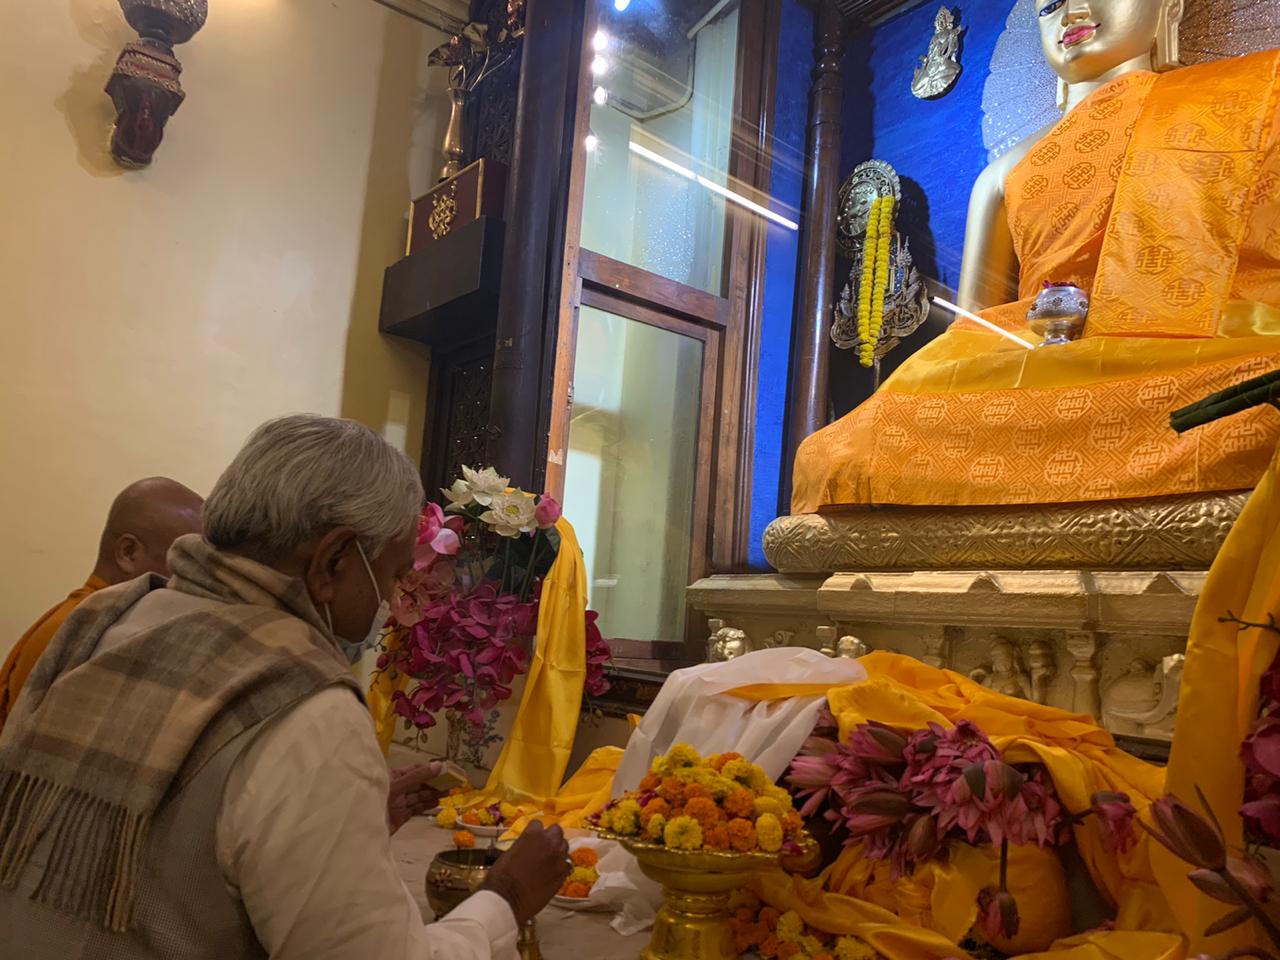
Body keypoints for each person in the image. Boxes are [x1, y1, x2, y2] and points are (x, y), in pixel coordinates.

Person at [0, 415, 570, 959]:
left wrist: (347, 816)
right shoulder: (305, 706)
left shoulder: (104, 616)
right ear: (333, 561)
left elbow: (143, 842)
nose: (391, 604)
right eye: (394, 575)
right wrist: (506, 898)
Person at [0, 476, 204, 731]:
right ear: (128, 552)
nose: (195, 582)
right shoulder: (71, 633)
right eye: (184, 565)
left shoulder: (110, 629)